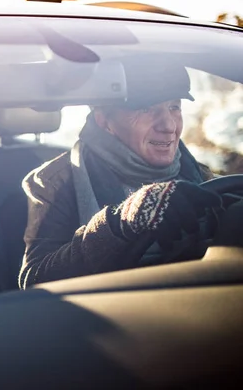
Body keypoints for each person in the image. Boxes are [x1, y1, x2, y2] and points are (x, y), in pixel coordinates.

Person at [19, 59, 222, 289]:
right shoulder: (54, 182)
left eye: (174, 107)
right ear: (104, 120)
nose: (168, 125)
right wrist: (121, 222)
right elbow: (34, 281)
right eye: (146, 109)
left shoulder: (201, 175)